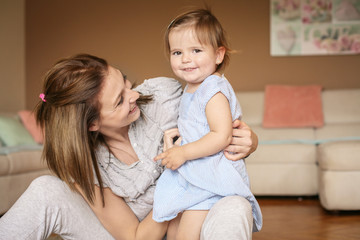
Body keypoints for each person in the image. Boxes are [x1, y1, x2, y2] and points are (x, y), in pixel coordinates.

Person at [0, 53, 258, 240]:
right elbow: (135, 237)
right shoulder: (86, 162)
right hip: (136, 235)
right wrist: (175, 179)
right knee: (46, 189)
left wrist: (249, 140)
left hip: (192, 224)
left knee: (235, 205)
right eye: (120, 100)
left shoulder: (163, 97)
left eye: (125, 83)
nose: (134, 95)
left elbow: (215, 117)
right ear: (92, 124)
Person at [152, 9, 262, 239]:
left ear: (218, 55)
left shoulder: (213, 89)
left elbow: (220, 135)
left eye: (196, 50)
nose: (185, 59)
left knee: (185, 234)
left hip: (210, 175)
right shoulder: (192, 87)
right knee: (172, 228)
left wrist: (183, 152)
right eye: (177, 52)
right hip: (195, 172)